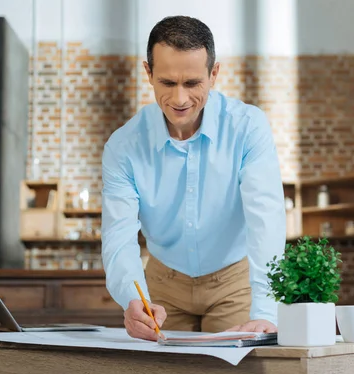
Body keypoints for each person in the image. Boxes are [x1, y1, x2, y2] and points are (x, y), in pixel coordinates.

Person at [101, 15, 286, 341]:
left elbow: (266, 220)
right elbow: (119, 238)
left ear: (214, 74)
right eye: (168, 83)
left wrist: (267, 311)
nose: (180, 99)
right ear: (149, 73)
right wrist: (133, 298)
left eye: (192, 83)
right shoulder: (123, 146)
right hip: (161, 288)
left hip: (233, 281)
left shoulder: (247, 128)